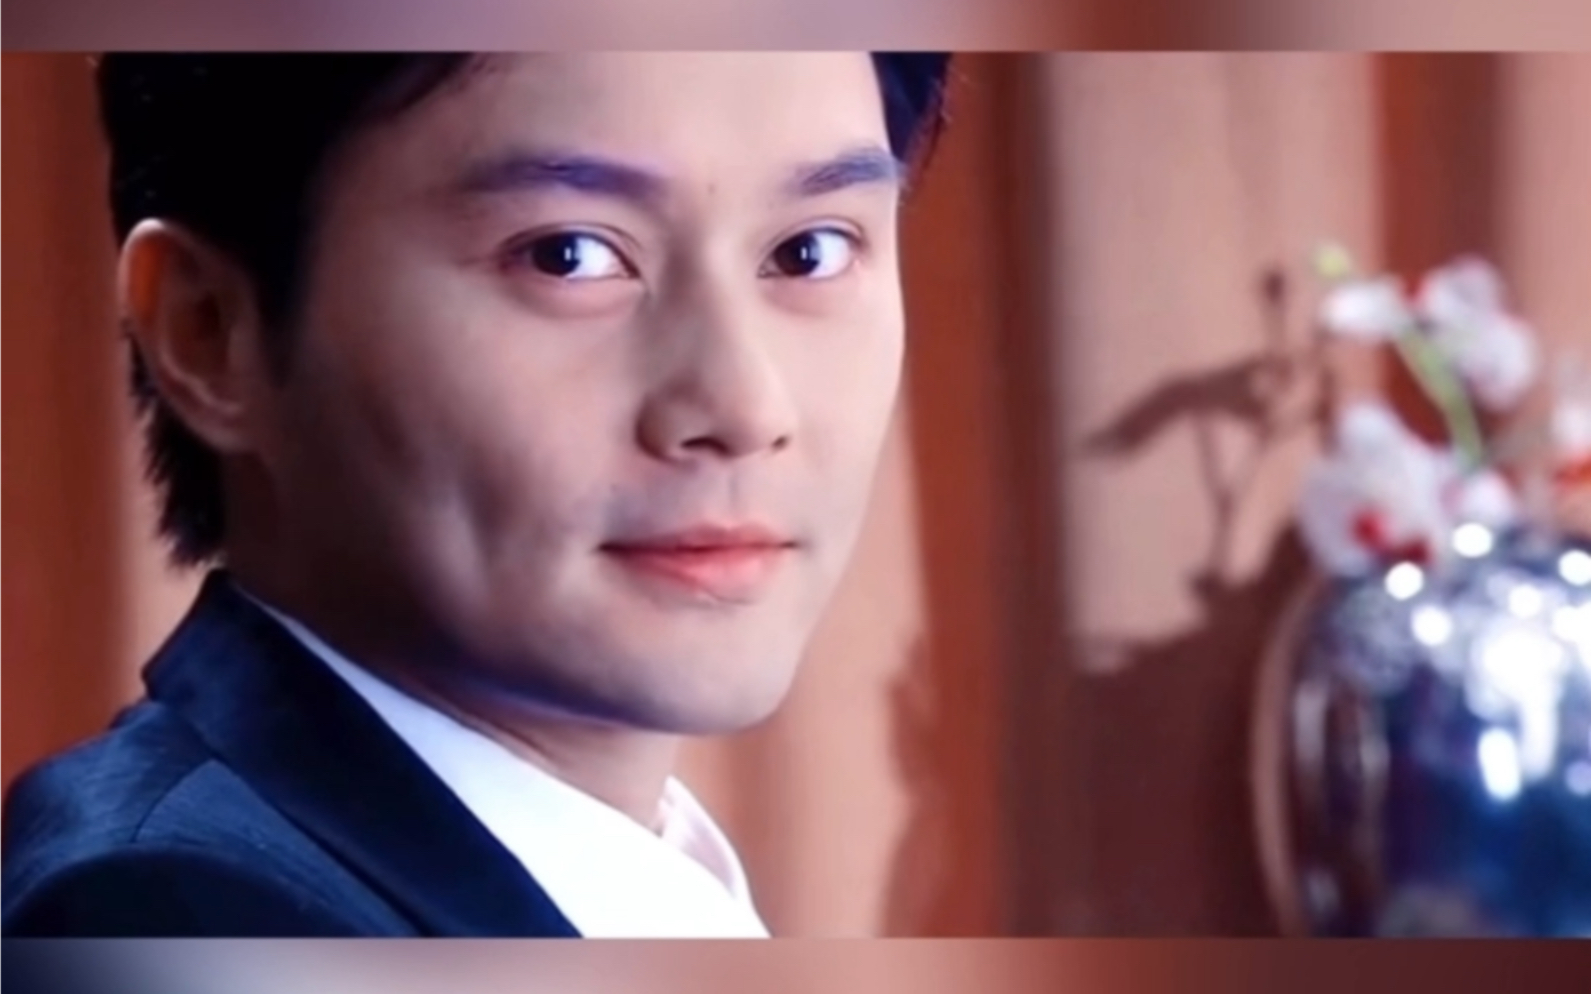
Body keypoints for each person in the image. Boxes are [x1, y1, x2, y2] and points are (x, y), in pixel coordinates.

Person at [1, 52, 950, 937]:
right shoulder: (174, 920)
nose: (744, 408)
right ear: (208, 331)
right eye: (566, 255)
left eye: (810, 251)